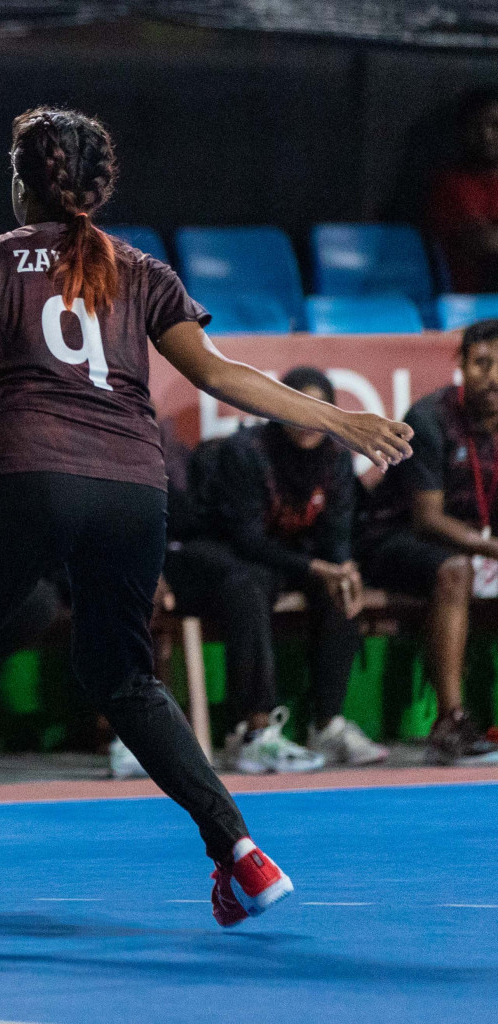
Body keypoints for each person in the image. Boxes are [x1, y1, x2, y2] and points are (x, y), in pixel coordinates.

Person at [0, 107, 414, 948]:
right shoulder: (139, 268)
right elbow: (218, 372)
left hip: (24, 476)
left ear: (23, 181)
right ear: (100, 186)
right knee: (124, 676)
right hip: (133, 490)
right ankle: (242, 855)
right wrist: (338, 420)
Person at [172, 367, 387, 774]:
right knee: (248, 585)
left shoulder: (338, 459)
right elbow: (244, 538)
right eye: (298, 407)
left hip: (288, 559)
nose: (308, 420)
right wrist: (314, 566)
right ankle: (253, 731)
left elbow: (337, 532)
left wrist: (341, 567)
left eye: (317, 409)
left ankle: (328, 723)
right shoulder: (247, 451)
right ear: (280, 408)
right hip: (223, 553)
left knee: (340, 586)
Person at [358, 319, 498, 766]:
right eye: (482, 363)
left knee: (460, 562)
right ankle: (449, 722)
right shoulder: (430, 418)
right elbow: (428, 519)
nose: (493, 376)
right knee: (455, 569)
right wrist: (493, 549)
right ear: (461, 365)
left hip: (473, 544)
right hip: (392, 542)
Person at [426, 90, 498, 293]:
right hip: (471, 301)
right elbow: (484, 243)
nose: (486, 136)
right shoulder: (450, 185)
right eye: (476, 126)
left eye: (495, 125)